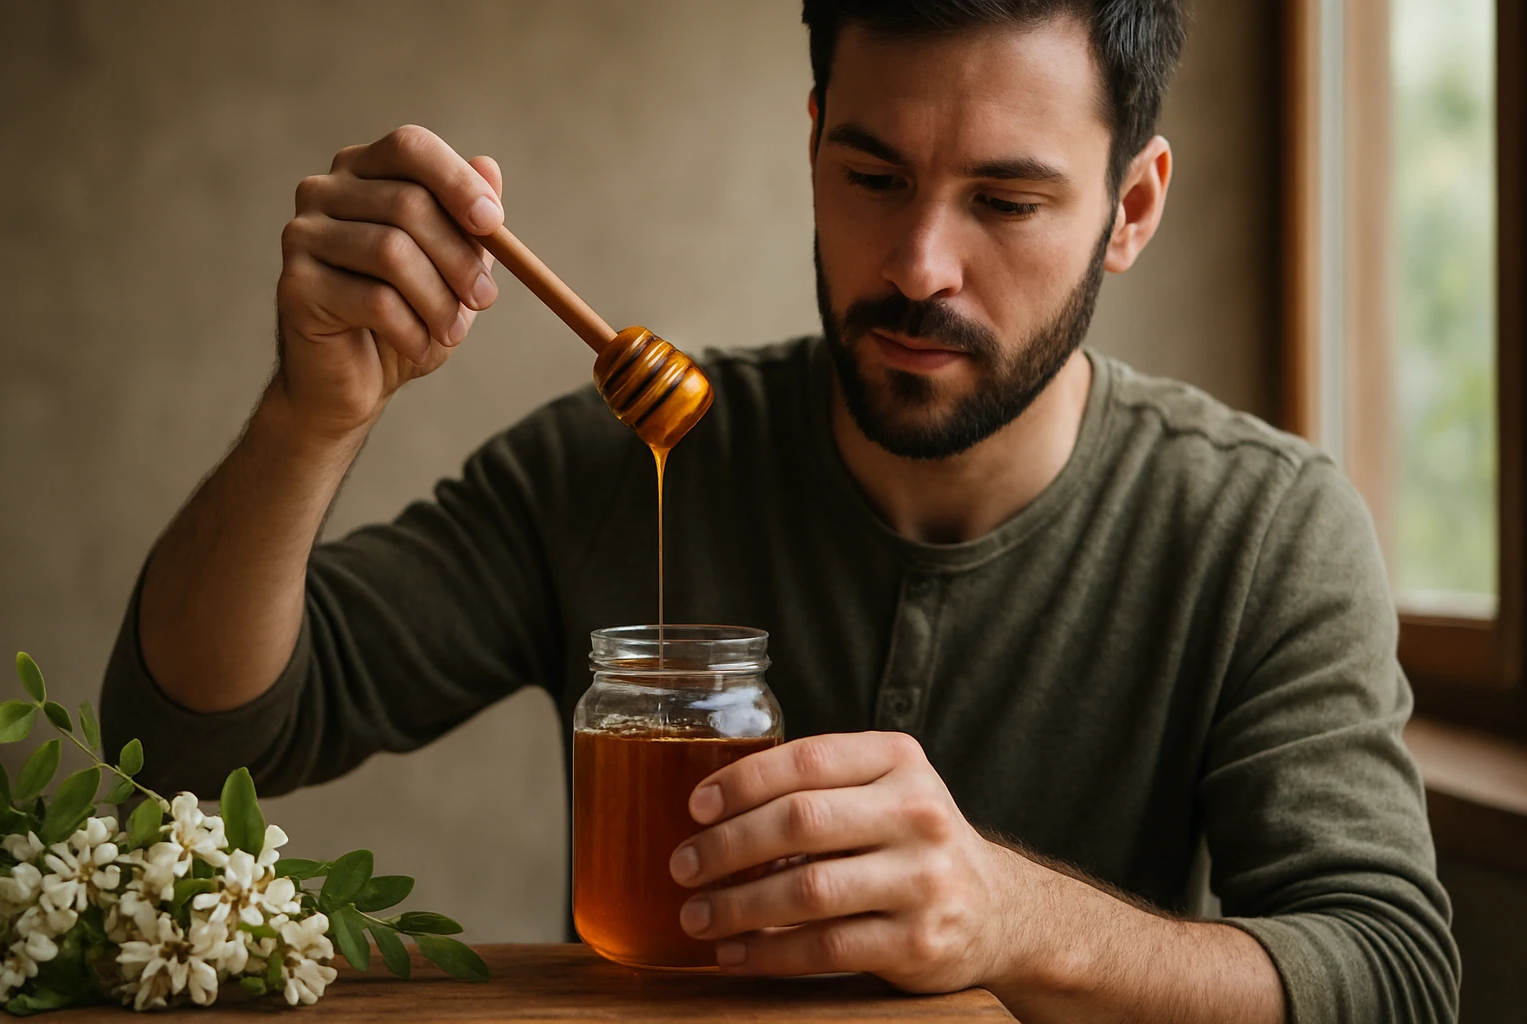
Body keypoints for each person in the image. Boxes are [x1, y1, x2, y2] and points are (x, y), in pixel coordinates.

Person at [99, 1, 1461, 1020]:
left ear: (1132, 206)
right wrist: (311, 413)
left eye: (1005, 198)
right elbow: (185, 734)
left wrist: (1017, 917)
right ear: (813, 144)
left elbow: (1395, 973)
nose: (921, 262)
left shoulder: (1263, 530)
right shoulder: (611, 463)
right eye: (874, 178)